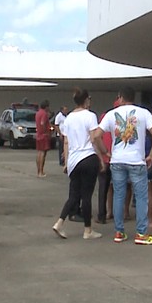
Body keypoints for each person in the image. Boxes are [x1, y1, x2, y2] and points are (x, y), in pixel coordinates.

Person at [96, 87, 152, 245]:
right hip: (137, 161)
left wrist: (105, 151)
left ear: (120, 97)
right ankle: (141, 234)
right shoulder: (144, 113)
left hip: (117, 160)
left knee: (118, 195)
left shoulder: (111, 114)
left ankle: (119, 232)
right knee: (141, 197)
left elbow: (96, 135)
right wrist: (151, 155)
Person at [52, 89, 105, 240]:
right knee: (86, 196)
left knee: (74, 195)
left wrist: (67, 162)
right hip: (88, 157)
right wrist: (102, 156)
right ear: (86, 100)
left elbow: (66, 142)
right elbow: (94, 139)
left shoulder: (68, 118)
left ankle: (59, 222)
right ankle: (87, 230)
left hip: (74, 160)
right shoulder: (90, 116)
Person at [35, 100, 51, 177]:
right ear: (46, 107)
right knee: (43, 153)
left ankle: (38, 171)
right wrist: (46, 131)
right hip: (43, 135)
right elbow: (42, 123)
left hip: (38, 135)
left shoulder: (38, 113)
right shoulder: (44, 114)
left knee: (39, 153)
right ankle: (41, 172)